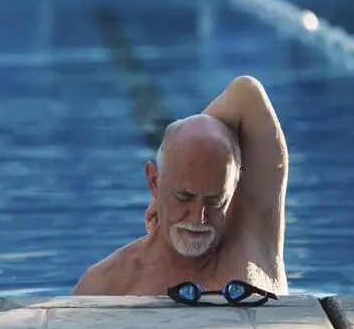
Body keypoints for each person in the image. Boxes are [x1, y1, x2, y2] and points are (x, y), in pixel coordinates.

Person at [72, 75, 288, 296]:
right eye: (184, 196)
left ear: (233, 187)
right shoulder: (108, 284)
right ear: (154, 181)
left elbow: (247, 93)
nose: (198, 218)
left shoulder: (253, 237)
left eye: (215, 200)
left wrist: (204, 146)